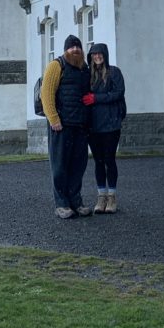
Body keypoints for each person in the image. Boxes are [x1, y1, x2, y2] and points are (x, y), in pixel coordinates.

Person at [41, 35, 93, 219]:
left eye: (78, 47)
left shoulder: (84, 68)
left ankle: (75, 200)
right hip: (61, 126)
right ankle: (61, 203)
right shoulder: (57, 65)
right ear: (65, 50)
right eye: (71, 47)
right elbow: (46, 94)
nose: (75, 50)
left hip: (80, 125)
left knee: (78, 166)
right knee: (60, 166)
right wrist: (54, 119)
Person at [83, 43, 126, 214]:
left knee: (109, 160)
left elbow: (119, 92)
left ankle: (112, 197)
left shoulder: (114, 72)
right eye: (94, 54)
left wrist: (96, 98)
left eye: (100, 54)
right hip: (93, 126)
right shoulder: (88, 75)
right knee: (98, 161)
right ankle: (101, 196)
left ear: (105, 55)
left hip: (110, 124)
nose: (97, 57)